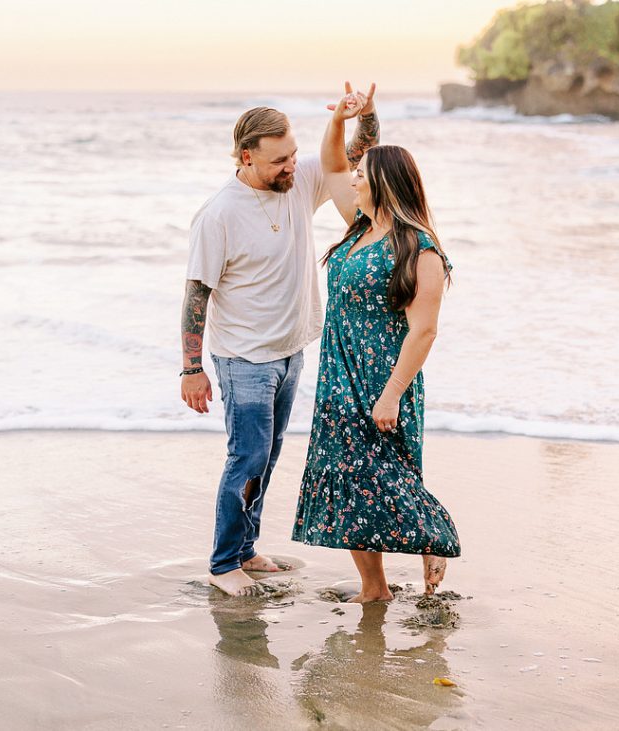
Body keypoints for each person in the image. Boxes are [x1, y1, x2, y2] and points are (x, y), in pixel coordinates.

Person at [181, 85, 380, 597]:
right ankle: (223, 562)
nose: (292, 166)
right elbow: (196, 294)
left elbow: (356, 157)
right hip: (245, 359)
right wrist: (191, 368)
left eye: (293, 154)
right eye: (278, 161)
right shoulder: (219, 213)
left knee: (266, 458)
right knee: (246, 458)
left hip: (292, 351)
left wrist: (366, 116)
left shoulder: (299, 179)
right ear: (246, 157)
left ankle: (246, 550)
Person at [290, 91, 461, 602]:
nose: (353, 178)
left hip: (384, 379)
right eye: (357, 173)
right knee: (347, 481)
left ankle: (435, 537)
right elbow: (331, 161)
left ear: (385, 183)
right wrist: (349, 119)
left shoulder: (417, 247)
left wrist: (390, 396)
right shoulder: (359, 228)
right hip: (338, 373)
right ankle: (375, 589)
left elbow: (423, 331)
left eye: (364, 174)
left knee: (382, 475)